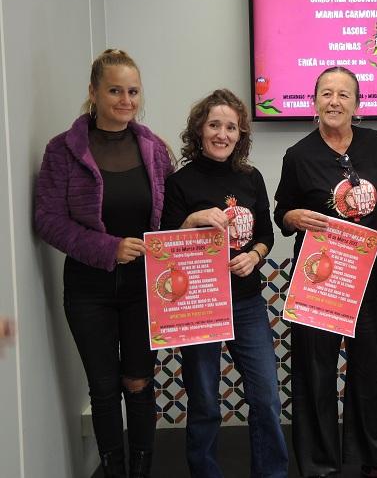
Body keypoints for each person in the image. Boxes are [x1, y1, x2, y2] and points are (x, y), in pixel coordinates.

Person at [35, 49, 174, 478]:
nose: (125, 100)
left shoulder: (154, 148)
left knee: (139, 382)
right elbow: (47, 220)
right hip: (88, 290)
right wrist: (107, 248)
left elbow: (170, 215)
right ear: (93, 92)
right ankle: (114, 471)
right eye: (115, 90)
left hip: (143, 289)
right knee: (103, 389)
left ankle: (142, 469)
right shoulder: (62, 150)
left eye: (132, 91)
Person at [274, 67, 377, 478]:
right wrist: (292, 216)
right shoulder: (299, 155)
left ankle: (375, 456)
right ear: (314, 101)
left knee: (368, 367)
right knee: (315, 370)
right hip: (317, 279)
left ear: (357, 103)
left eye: (344, 95)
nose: (334, 102)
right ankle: (319, 465)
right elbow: (282, 212)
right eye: (326, 94)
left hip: (365, 278)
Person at [161, 89, 288, 478]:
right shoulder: (180, 182)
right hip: (199, 305)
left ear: (240, 134)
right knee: (204, 401)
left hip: (247, 302)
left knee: (266, 396)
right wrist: (192, 221)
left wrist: (256, 255)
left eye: (231, 127)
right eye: (214, 125)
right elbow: (164, 245)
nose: (222, 134)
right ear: (199, 130)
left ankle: (271, 473)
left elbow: (265, 233)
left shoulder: (251, 178)